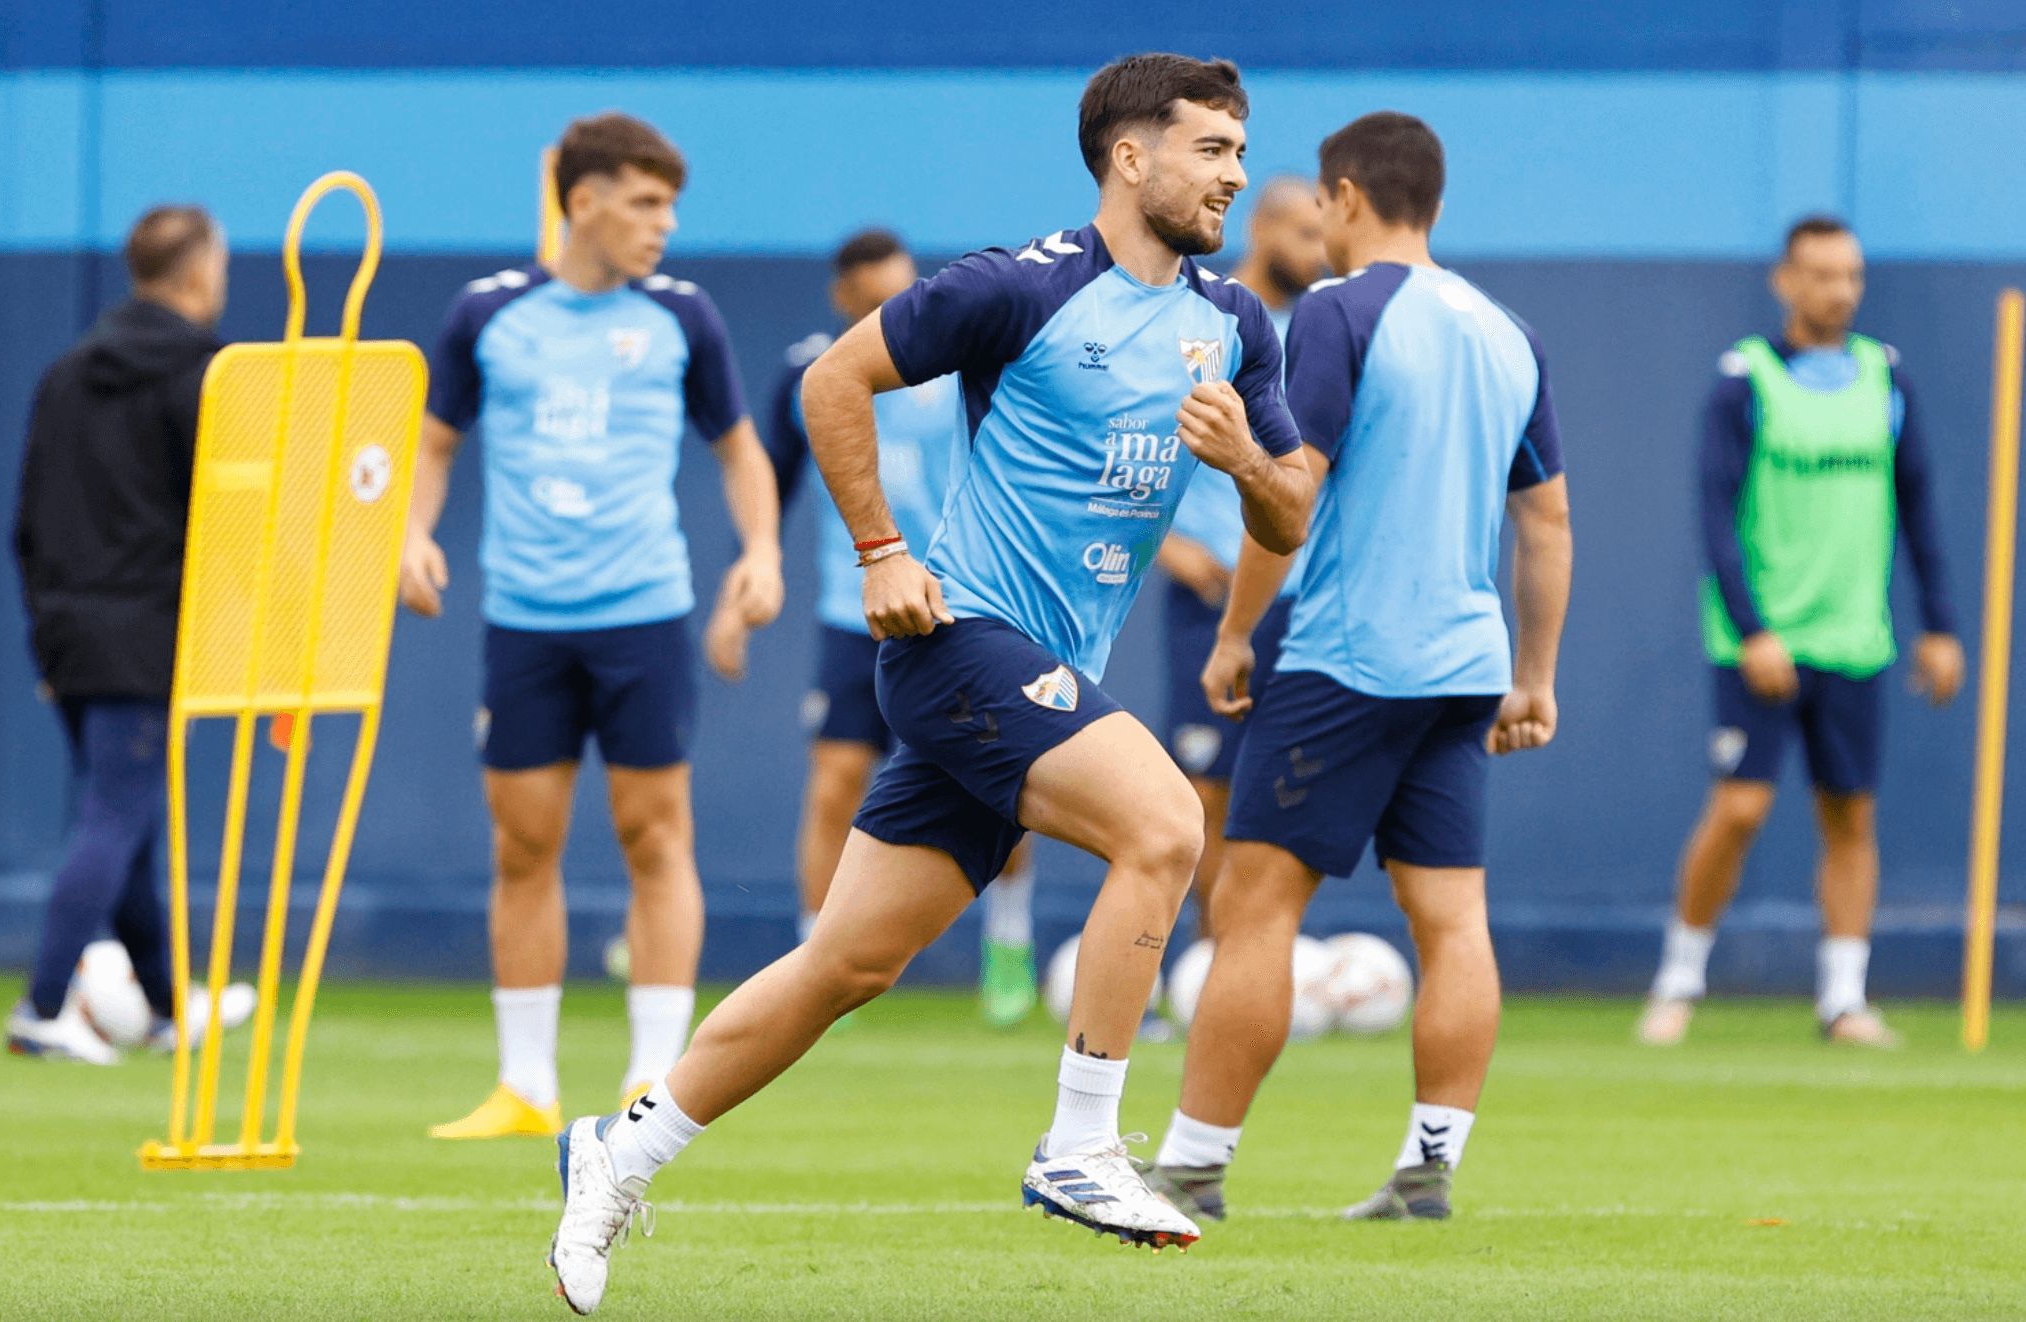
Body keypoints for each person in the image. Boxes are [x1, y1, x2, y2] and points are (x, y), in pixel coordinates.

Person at [545, 54, 1316, 1311]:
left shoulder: (1234, 324)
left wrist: (1243, 462)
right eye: (1212, 149)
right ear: (1132, 158)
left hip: (1043, 672)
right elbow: (829, 381)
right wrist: (882, 552)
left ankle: (617, 1150)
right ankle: (1080, 1139)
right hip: (960, 645)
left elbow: (1288, 516)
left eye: (1240, 149)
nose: (1233, 172)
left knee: (841, 967)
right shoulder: (1014, 289)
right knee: (1168, 821)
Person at [1147, 112, 1572, 1225]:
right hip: (1466, 665)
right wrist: (1534, 675)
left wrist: (1236, 633)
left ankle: (1190, 1164)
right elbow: (1547, 524)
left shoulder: (1336, 311)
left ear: (1343, 197)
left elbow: (1286, 491)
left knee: (1254, 905)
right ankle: (1429, 1166)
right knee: (1451, 920)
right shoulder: (1505, 329)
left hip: (1346, 655)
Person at [402, 113, 784, 1139]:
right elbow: (433, 445)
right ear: (582, 202)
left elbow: (742, 452)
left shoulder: (683, 316)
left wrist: (759, 549)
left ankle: (651, 1074)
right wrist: (409, 530)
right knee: (522, 845)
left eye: (670, 206)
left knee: (654, 835)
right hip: (522, 622)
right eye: (645, 203)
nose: (663, 226)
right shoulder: (487, 313)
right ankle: (524, 1083)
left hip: (642, 617)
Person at [1636, 215, 1964, 1049]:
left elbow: (1919, 504)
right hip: (1765, 645)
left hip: (1856, 639)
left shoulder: (1884, 375)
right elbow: (1715, 512)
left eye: (1852, 274)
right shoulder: (1743, 381)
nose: (1840, 290)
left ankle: (1843, 1000)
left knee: (1850, 815)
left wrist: (1939, 626)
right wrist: (1752, 630)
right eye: (1822, 275)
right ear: (1787, 281)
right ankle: (1678, 981)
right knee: (1741, 808)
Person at [741, 228, 1042, 1030]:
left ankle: (1007, 946)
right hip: (855, 614)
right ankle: (814, 957)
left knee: (1005, 786)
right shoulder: (814, 370)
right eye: (878, 297)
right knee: (837, 780)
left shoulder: (953, 364)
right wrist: (750, 574)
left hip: (959, 610)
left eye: (905, 292)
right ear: (846, 299)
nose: (897, 310)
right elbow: (765, 483)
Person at [8, 205, 235, 1063]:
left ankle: (170, 1011)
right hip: (147, 629)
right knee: (113, 815)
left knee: (130, 820)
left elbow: (26, 518)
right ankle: (40, 1007)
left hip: (67, 629)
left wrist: (46, 632)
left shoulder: (65, 372)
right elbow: (236, 518)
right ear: (197, 271)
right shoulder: (213, 376)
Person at [1157, 177, 1325, 934]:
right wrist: (1167, 544)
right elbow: (1124, 437)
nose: (1318, 253)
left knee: (1284, 795)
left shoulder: (1326, 333)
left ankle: (1251, 967)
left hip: (1302, 605)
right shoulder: (1200, 317)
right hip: (1210, 599)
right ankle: (1203, 965)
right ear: (1261, 227)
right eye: (1303, 234)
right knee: (1202, 795)